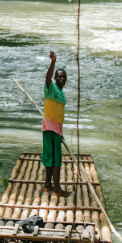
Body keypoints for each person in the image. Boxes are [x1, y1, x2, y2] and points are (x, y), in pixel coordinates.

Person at [42, 51, 71, 197]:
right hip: (50, 128)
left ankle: (47, 184)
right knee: (55, 159)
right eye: (59, 76)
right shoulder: (51, 88)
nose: (62, 78)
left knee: (50, 157)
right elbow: (47, 79)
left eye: (64, 77)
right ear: (55, 78)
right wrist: (53, 62)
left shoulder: (62, 94)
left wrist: (61, 131)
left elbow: (59, 113)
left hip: (55, 129)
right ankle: (57, 189)